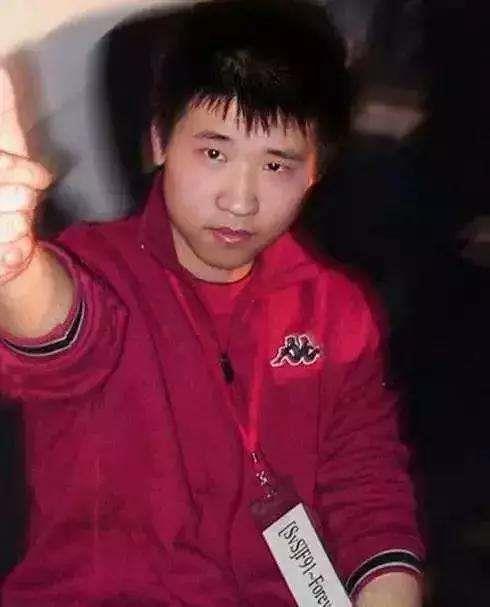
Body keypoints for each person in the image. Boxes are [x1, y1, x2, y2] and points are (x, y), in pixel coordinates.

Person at [0, 1, 424, 605]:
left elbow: (367, 491)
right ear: (159, 141)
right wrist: (16, 267)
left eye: (275, 164)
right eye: (215, 153)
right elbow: (64, 337)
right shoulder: (96, 267)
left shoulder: (337, 311)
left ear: (315, 173)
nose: (240, 200)